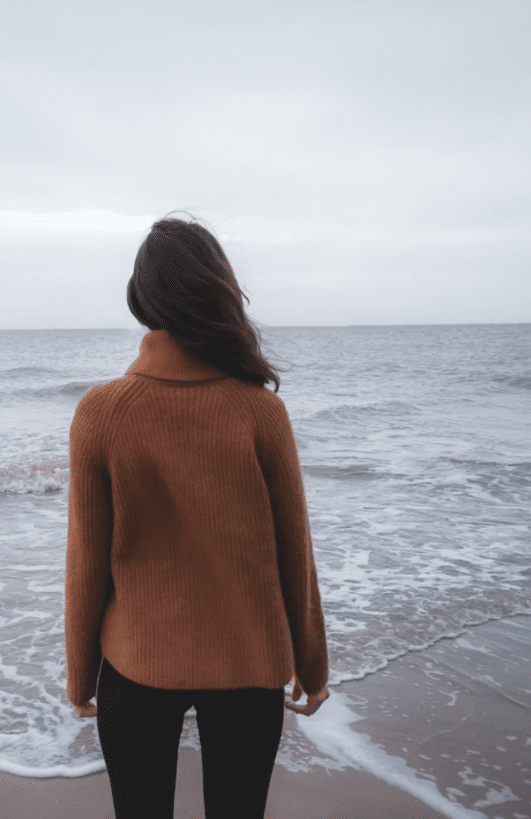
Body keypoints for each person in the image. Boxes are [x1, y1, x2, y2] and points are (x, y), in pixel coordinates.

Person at [65, 216, 330, 819]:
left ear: (141, 298)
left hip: (136, 666)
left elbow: (87, 561)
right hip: (248, 666)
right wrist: (311, 665)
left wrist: (81, 674)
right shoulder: (259, 411)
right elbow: (296, 551)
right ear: (220, 293)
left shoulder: (100, 413)